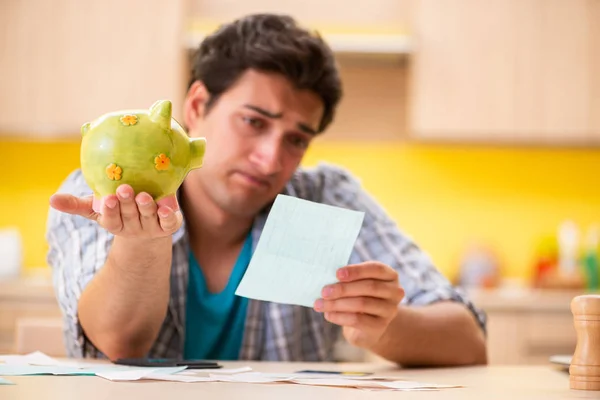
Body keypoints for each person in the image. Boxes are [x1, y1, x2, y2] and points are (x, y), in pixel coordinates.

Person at [46, 13, 487, 366]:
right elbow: (119, 345)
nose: (271, 159)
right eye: (254, 122)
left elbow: (469, 339)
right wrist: (141, 244)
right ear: (197, 106)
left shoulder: (323, 199)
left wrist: (385, 326)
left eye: (297, 139)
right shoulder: (103, 191)